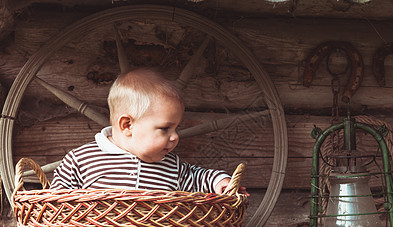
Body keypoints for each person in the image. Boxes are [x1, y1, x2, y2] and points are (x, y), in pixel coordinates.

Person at [51, 67, 247, 195]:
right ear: (127, 125)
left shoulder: (171, 165)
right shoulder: (82, 159)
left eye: (176, 128)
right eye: (165, 128)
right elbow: (55, 200)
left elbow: (197, 177)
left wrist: (220, 182)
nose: (175, 137)